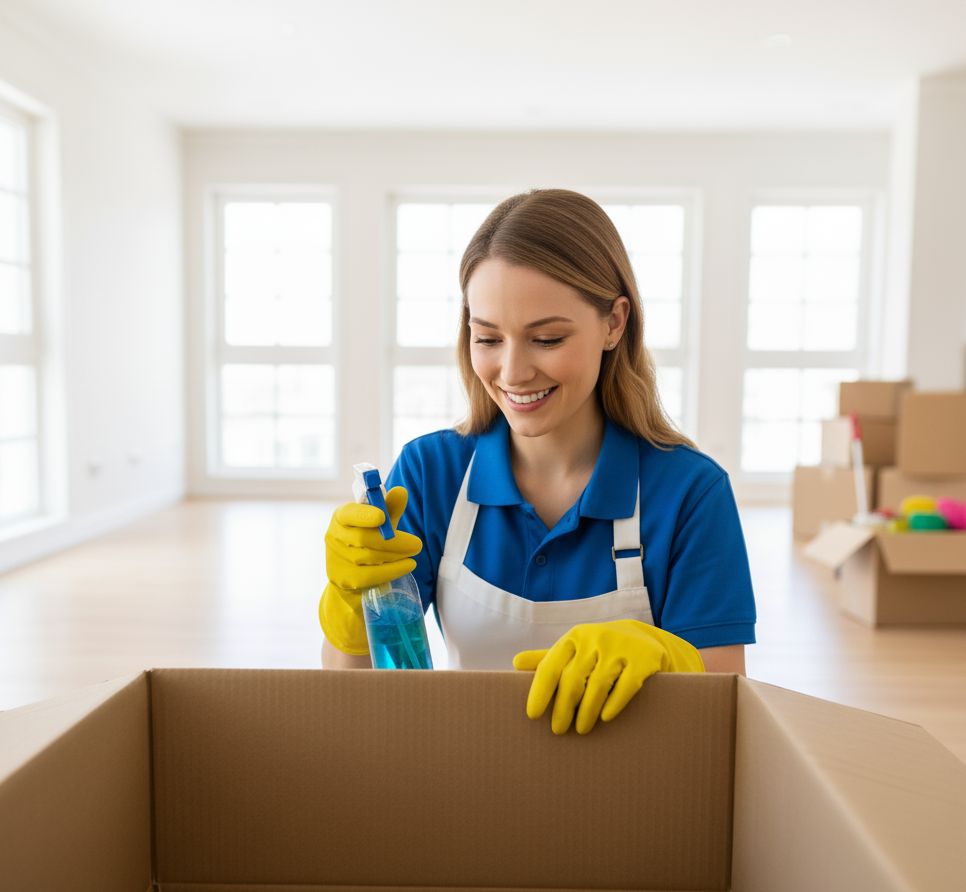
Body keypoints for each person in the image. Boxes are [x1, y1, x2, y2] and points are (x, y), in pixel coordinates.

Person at [320, 189, 755, 734]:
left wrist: (670, 658)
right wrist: (351, 604)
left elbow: (725, 713)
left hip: (632, 795)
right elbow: (357, 700)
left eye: (547, 338)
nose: (513, 371)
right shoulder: (431, 474)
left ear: (614, 324)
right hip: (465, 776)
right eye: (488, 338)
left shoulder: (690, 493)